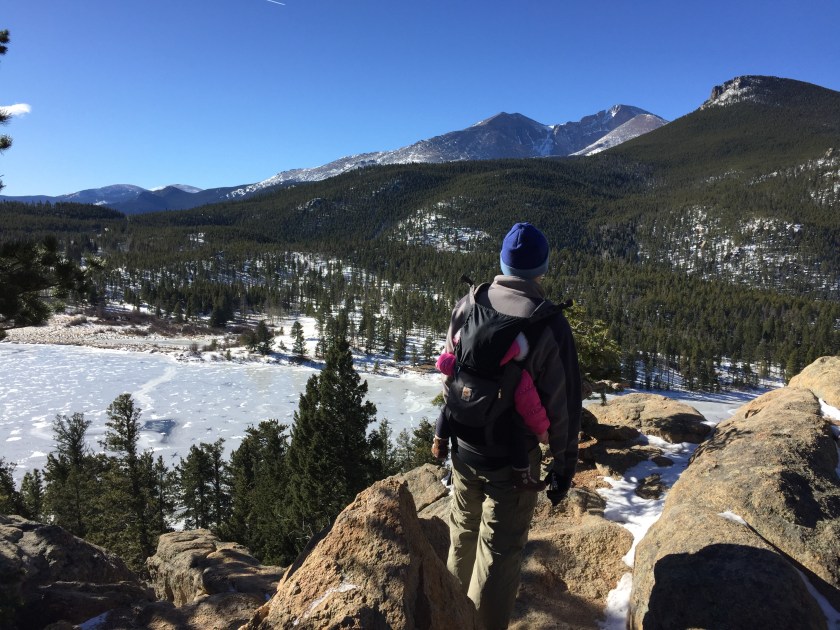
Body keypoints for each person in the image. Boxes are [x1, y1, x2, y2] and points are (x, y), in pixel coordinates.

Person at [441, 221, 582, 629]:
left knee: (462, 534)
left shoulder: (470, 302)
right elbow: (563, 405)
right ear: (542, 269)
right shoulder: (547, 324)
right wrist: (563, 465)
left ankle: (448, 616)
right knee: (498, 556)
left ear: (502, 261)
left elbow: (450, 371)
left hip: (464, 447)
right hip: (513, 463)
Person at [432, 331, 549, 490]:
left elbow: (442, 363)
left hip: (462, 441)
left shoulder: (463, 362)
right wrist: (542, 432)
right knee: (517, 430)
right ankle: (521, 475)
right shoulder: (516, 375)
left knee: (447, 409)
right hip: (496, 441)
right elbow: (532, 409)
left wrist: (452, 355)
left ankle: (440, 442)